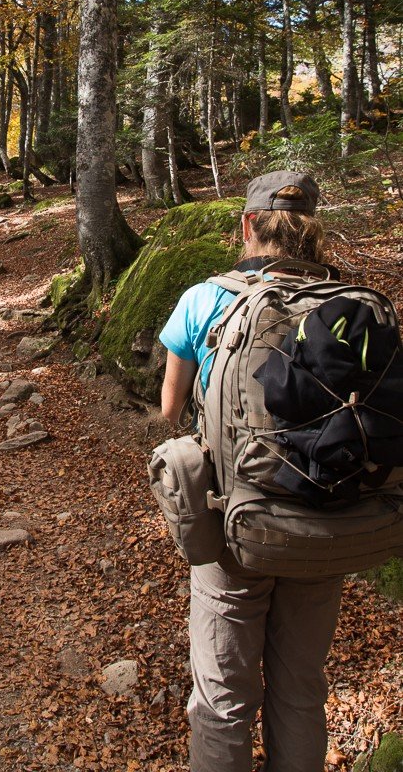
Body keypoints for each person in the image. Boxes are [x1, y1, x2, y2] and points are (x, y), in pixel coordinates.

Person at [159, 171, 344, 772]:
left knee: (223, 699)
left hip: (238, 526)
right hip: (328, 523)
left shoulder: (205, 298)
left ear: (248, 225)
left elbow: (168, 409)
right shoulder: (345, 302)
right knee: (300, 689)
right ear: (312, 226)